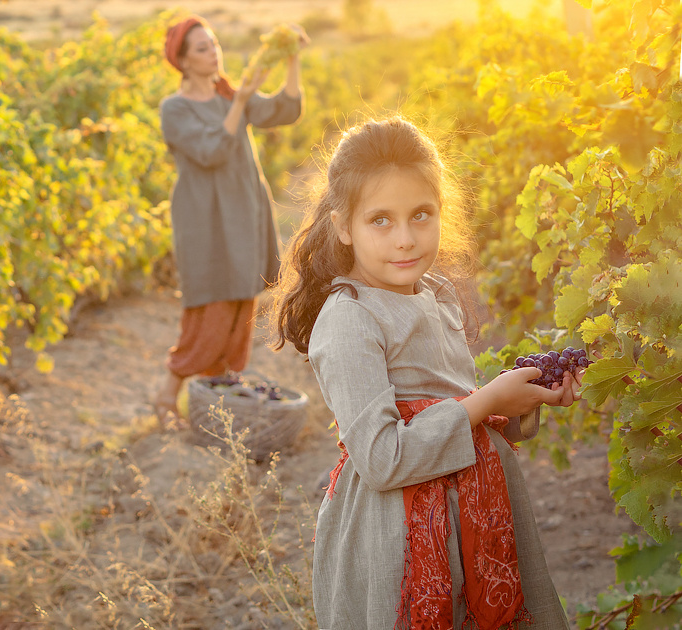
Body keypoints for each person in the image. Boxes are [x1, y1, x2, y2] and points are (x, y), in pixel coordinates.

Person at [270, 116, 581, 629]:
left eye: (421, 215)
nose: (406, 239)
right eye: (381, 221)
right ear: (343, 225)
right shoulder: (349, 318)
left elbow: (456, 406)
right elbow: (383, 458)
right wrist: (487, 402)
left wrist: (516, 401)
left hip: (478, 512)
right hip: (399, 530)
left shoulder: (435, 294)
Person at [153, 15, 307, 424]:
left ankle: (217, 397)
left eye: (214, 44)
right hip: (204, 221)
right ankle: (168, 393)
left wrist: (291, 60)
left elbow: (283, 110)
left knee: (242, 297)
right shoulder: (175, 109)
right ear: (183, 61)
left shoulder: (229, 95)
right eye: (202, 48)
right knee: (211, 303)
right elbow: (211, 152)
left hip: (244, 210)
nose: (213, 52)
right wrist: (240, 102)